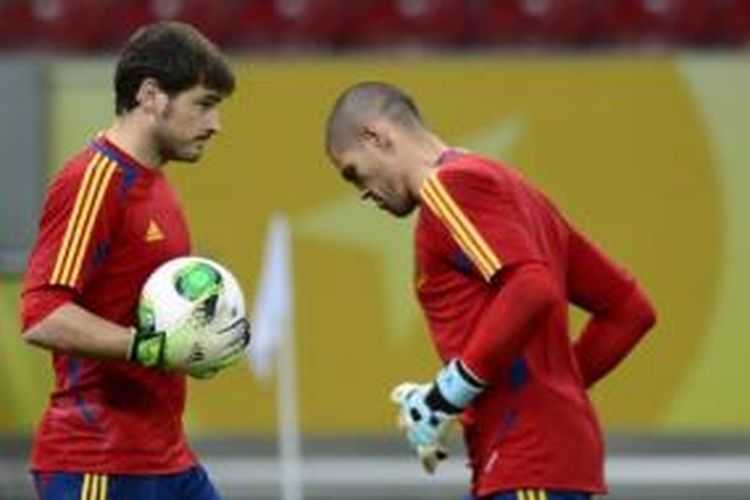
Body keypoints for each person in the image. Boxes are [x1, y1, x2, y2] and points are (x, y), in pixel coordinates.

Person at [324, 81, 657, 499]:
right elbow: (629, 309)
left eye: (353, 172)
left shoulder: (447, 188)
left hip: (526, 467)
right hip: (534, 462)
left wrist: (448, 394)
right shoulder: (514, 188)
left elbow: (531, 286)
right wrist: (543, 395)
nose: (362, 193)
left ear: (376, 136)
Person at [20, 21, 249, 500]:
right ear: (150, 95)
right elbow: (41, 315)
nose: (216, 125)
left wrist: (197, 339)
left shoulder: (157, 183)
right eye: (204, 104)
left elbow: (147, 317)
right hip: (98, 465)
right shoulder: (93, 180)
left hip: (167, 459)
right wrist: (149, 347)